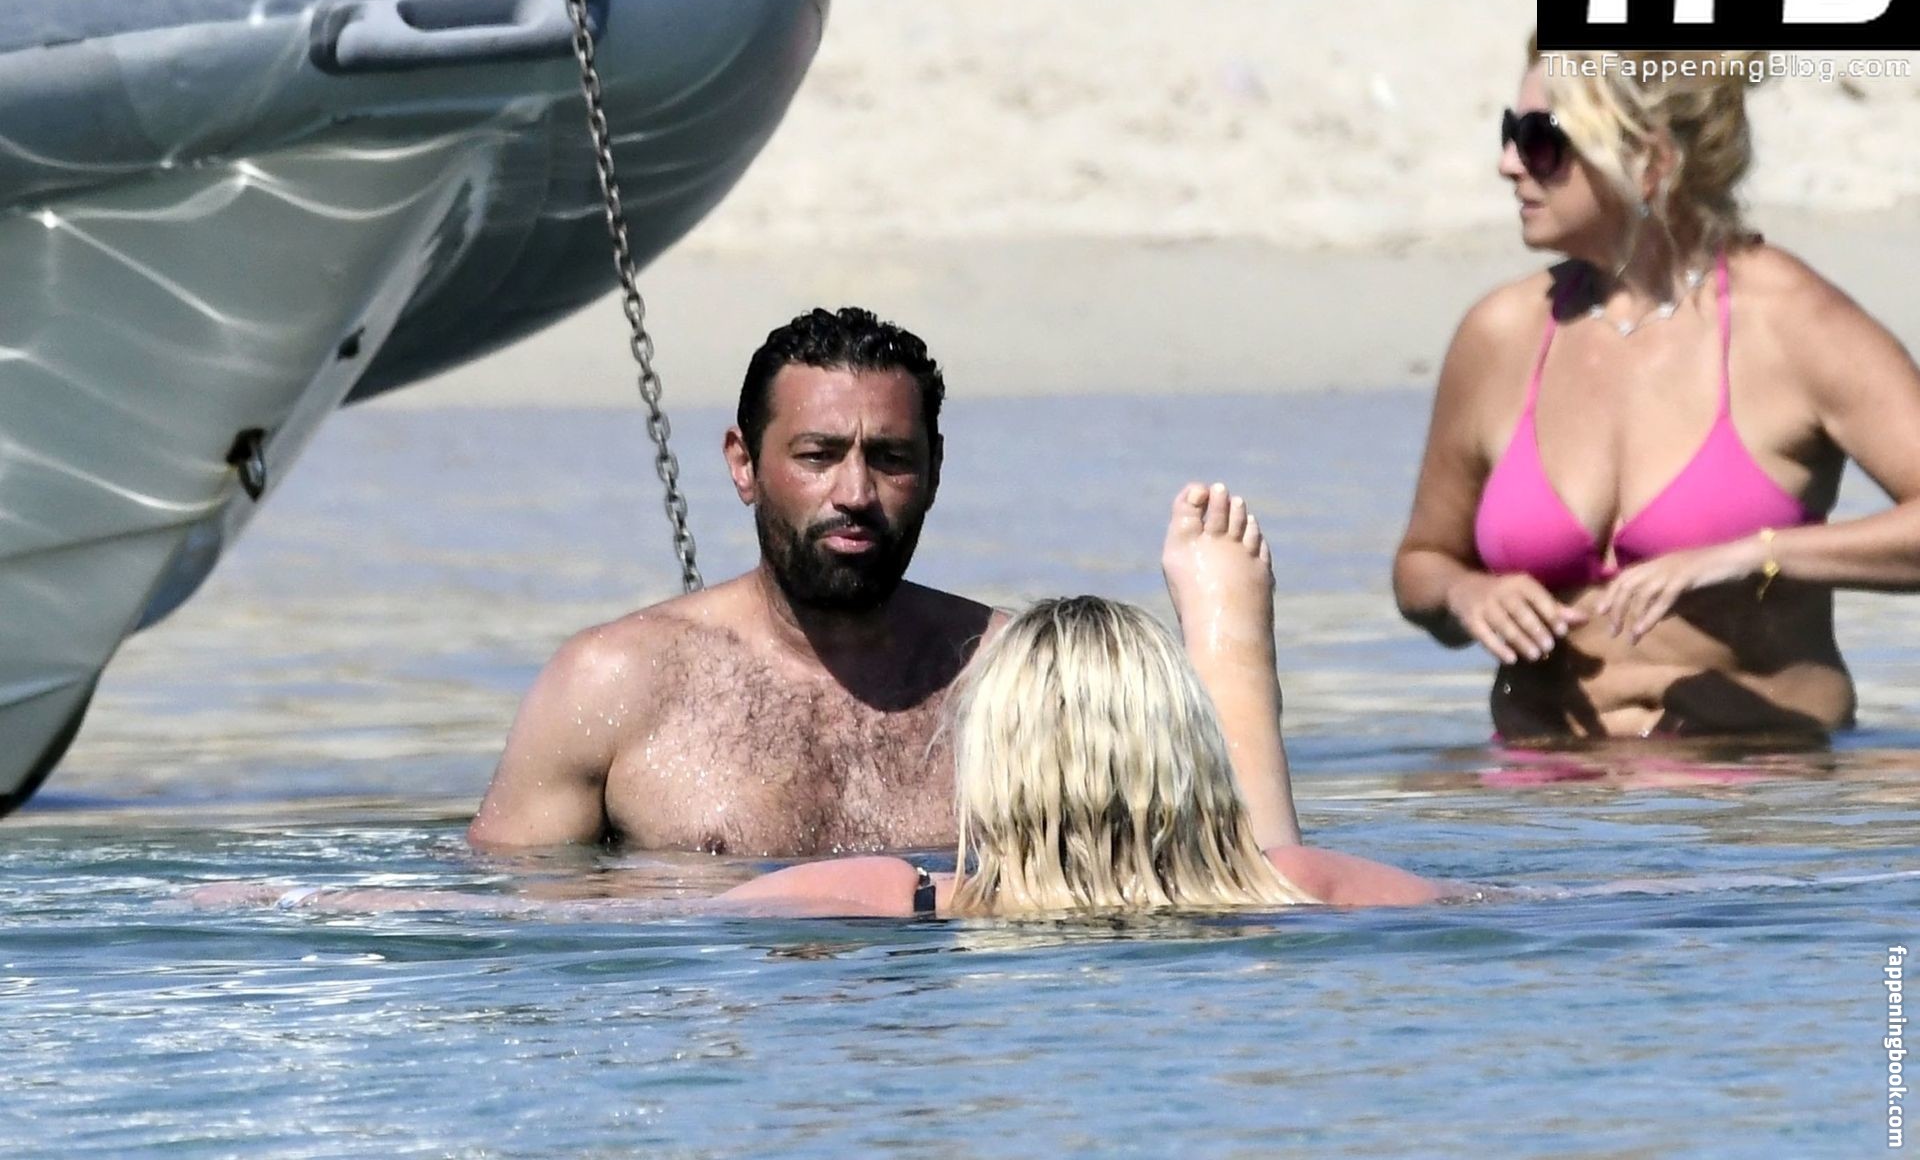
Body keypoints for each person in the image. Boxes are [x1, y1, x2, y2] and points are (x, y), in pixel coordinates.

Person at [202, 485, 1448, 917]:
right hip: (1238, 903)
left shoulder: (898, 892)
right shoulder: (1320, 882)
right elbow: (1549, 909)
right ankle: (1232, 655)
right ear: (1175, 747)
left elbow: (564, 924)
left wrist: (301, 897)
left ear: (999, 752)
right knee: (1262, 870)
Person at [1394, 40, 1920, 741]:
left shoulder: (1790, 322)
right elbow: (1422, 563)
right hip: (1543, 789)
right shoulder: (1502, 334)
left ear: (1650, 162)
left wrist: (1754, 555)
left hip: (1759, 786)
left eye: (1541, 140)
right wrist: (1467, 593)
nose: (1508, 162)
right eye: (1508, 132)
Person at [467, 307, 999, 856]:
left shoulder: (1013, 683)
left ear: (935, 469)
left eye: (891, 459)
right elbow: (509, 893)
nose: (856, 493)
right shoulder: (610, 683)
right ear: (744, 464)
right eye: (818, 456)